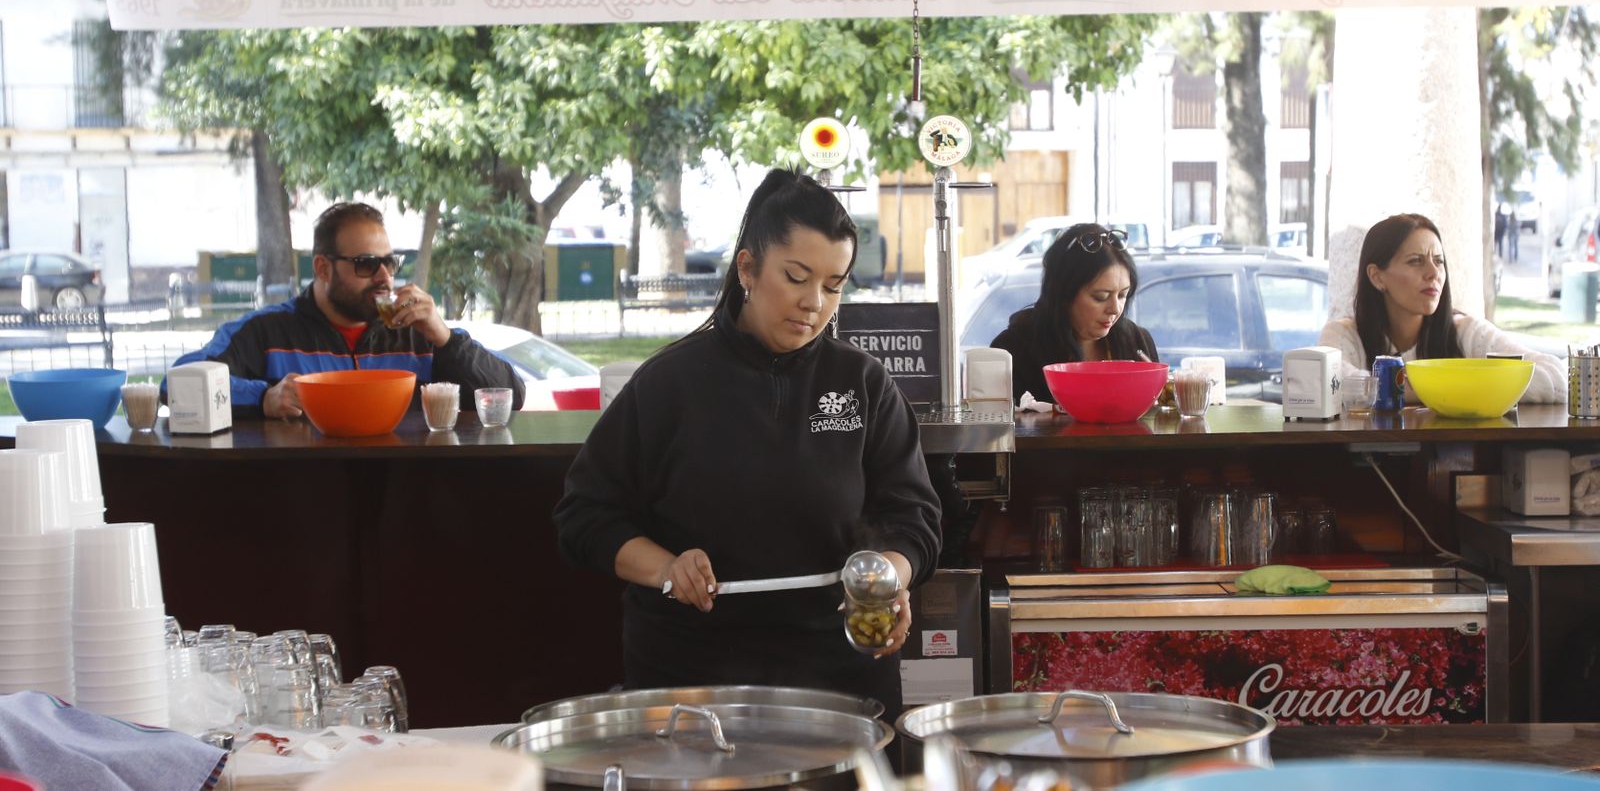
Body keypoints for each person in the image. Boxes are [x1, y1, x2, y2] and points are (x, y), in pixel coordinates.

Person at [551, 168, 941, 713]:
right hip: (692, 676)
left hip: (840, 674)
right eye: (797, 276)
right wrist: (666, 569)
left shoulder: (862, 383)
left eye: (833, 286)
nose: (814, 303)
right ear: (748, 268)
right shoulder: (670, 383)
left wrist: (884, 579)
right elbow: (585, 516)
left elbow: (913, 517)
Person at [172, 202, 524, 418]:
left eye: (389, 262)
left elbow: (511, 395)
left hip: (409, 498)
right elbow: (178, 384)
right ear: (323, 268)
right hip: (303, 501)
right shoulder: (268, 331)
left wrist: (446, 339)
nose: (385, 277)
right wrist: (264, 398)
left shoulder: (419, 334)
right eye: (366, 264)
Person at [1318, 213, 1565, 402]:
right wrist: (1472, 388)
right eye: (1416, 261)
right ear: (1377, 277)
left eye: (1439, 261)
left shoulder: (1466, 332)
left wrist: (1426, 389)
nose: (1433, 273)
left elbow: (1555, 379)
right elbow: (1336, 384)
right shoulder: (1344, 335)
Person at [989, 223, 1160, 402]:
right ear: (1064, 293)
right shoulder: (1013, 350)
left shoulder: (1137, 342)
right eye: (1101, 297)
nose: (1115, 308)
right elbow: (996, 425)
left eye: (1123, 295)